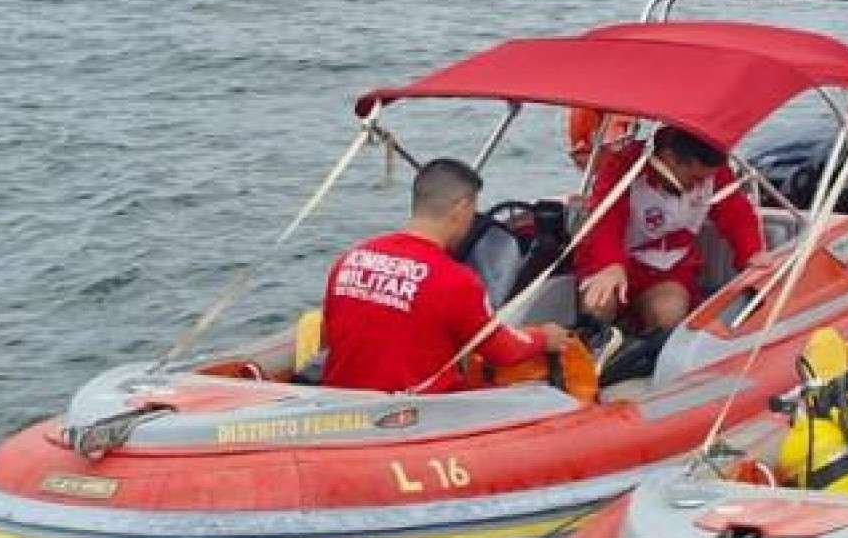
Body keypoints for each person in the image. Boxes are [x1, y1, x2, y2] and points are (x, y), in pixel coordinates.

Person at [319, 158, 558, 394]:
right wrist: (544, 337)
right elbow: (504, 350)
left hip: (341, 404)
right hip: (414, 410)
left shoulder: (350, 259)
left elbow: (328, 337)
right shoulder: (457, 281)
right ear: (461, 209)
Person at [572, 124, 767, 337]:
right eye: (695, 179)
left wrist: (752, 254)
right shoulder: (623, 168)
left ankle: (645, 344)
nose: (699, 186)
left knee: (669, 312)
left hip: (669, 269)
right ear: (668, 158)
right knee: (598, 304)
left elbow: (736, 213)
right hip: (614, 260)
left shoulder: (714, 173)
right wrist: (610, 264)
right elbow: (604, 220)